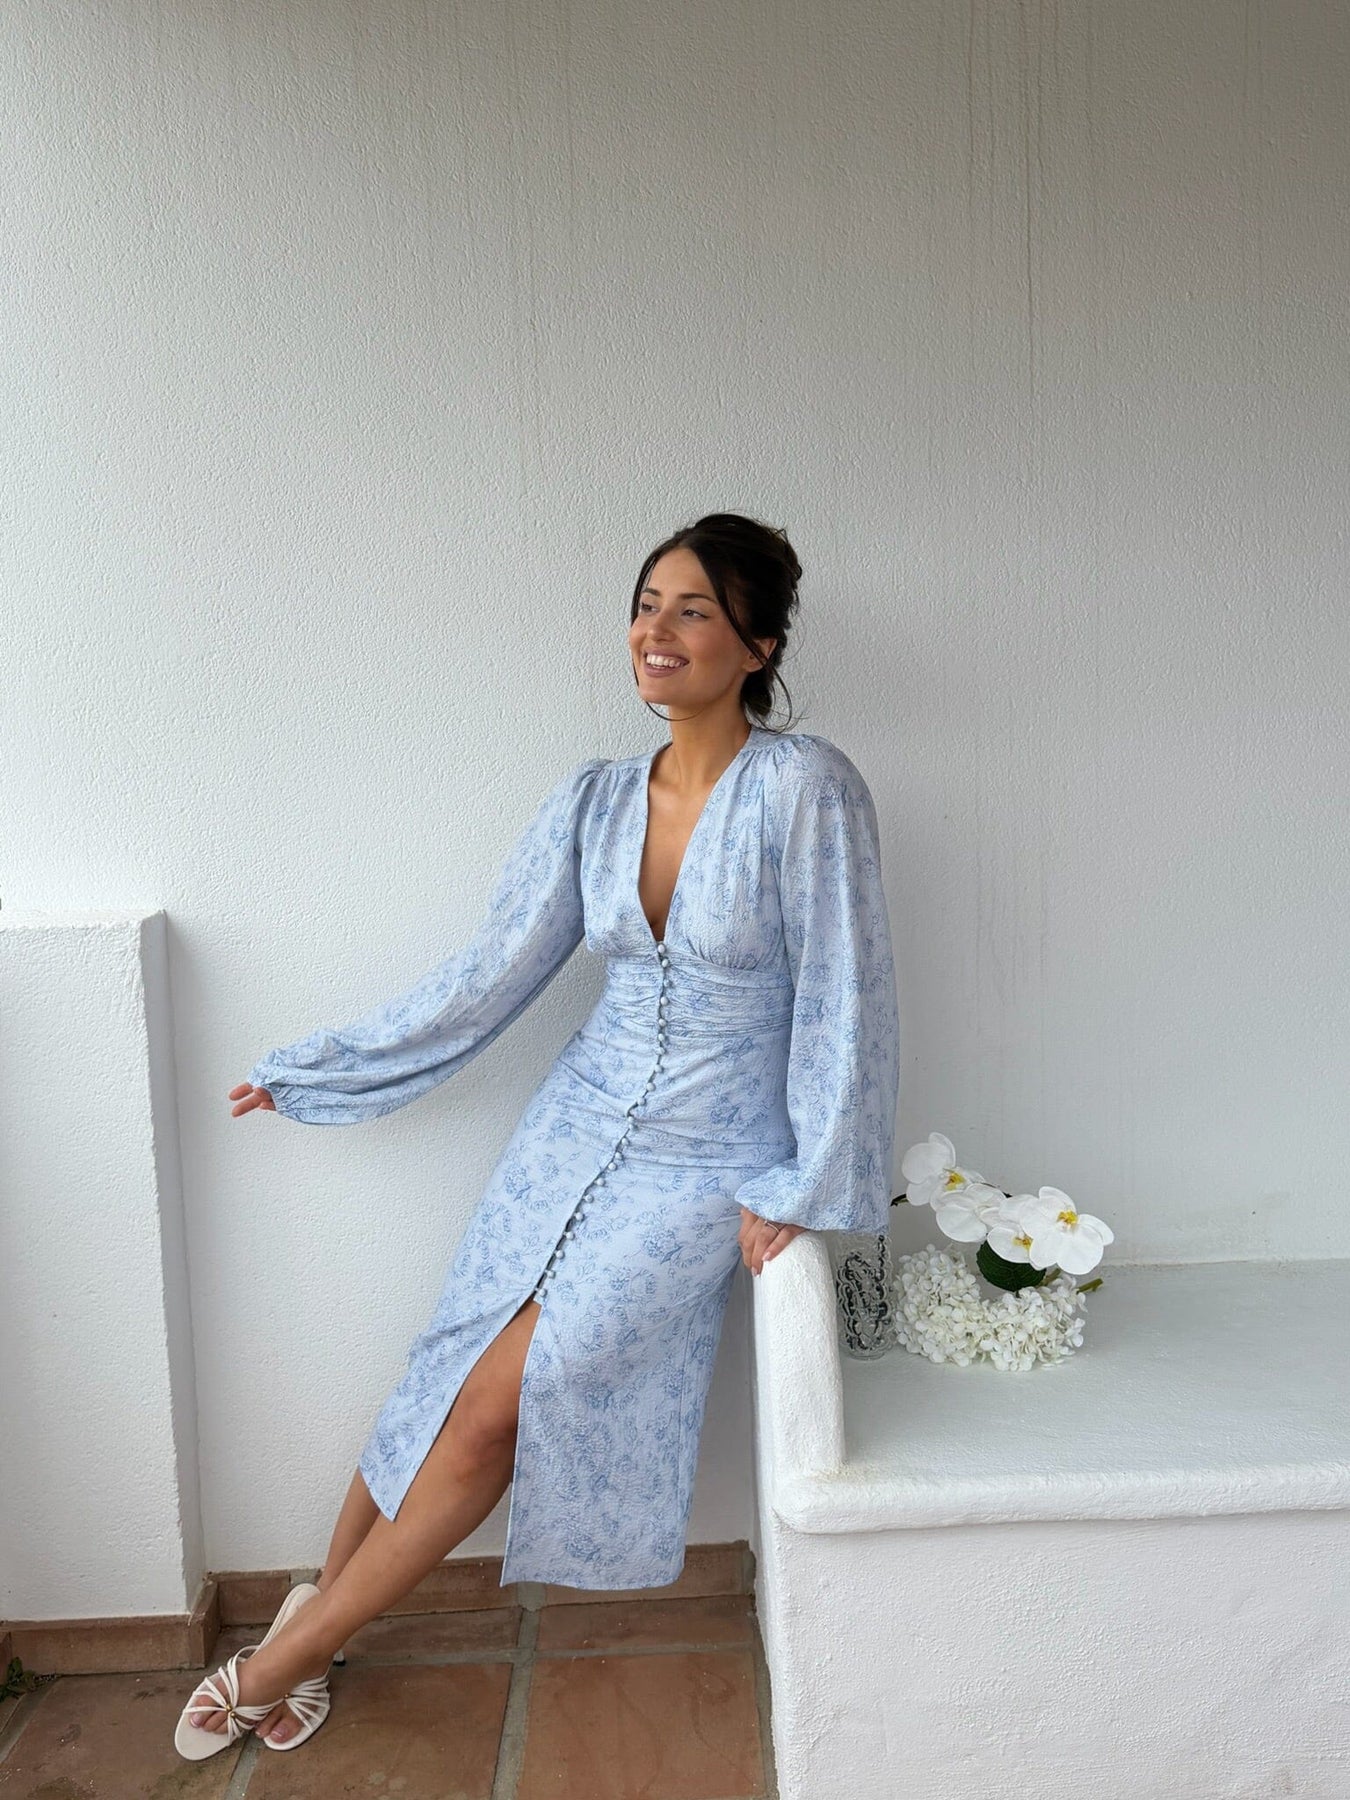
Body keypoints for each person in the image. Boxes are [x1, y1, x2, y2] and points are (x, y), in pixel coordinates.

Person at [175, 511, 900, 1758]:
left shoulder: (808, 788)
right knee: (449, 1367)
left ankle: (276, 1661)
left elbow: (850, 990)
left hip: (708, 1157)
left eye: (694, 611)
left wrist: (810, 1177)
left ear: (759, 645)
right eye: (647, 604)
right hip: (573, 1124)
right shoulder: (597, 799)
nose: (657, 631)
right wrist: (331, 1069)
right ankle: (318, 1626)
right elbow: (492, 973)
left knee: (514, 1400)